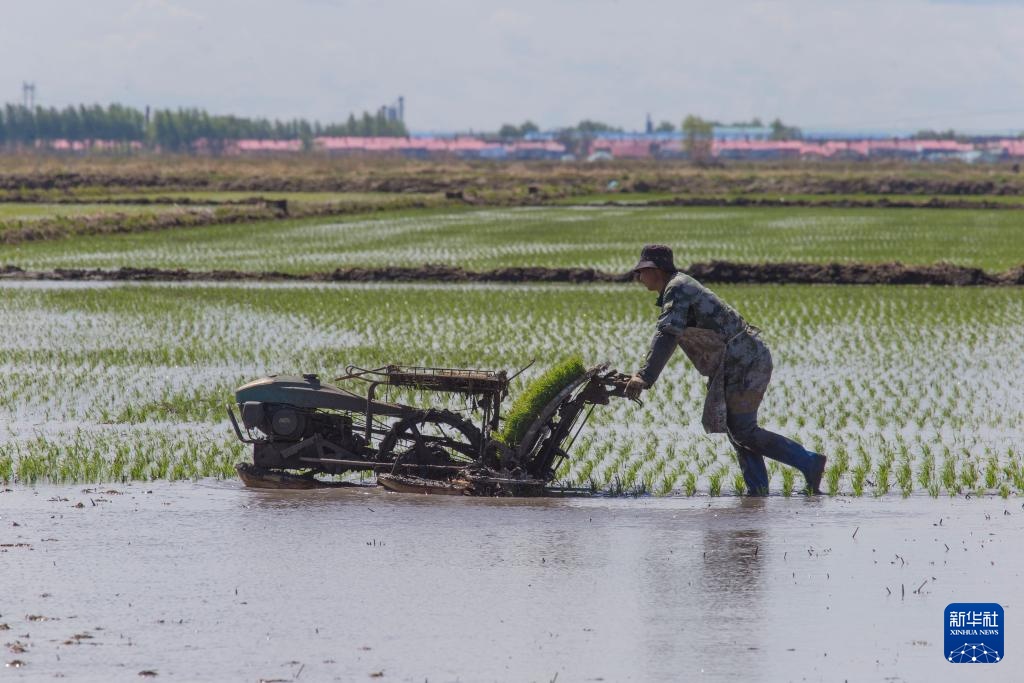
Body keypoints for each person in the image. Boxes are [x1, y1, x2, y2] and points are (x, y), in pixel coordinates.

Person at [624, 244, 826, 495]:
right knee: (737, 429)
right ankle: (758, 490)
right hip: (737, 360)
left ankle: (808, 461)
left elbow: (667, 335)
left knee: (743, 429)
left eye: (641, 271)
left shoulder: (677, 288)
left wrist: (644, 376)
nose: (638, 278)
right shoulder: (677, 287)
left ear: (655, 270)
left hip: (745, 360)